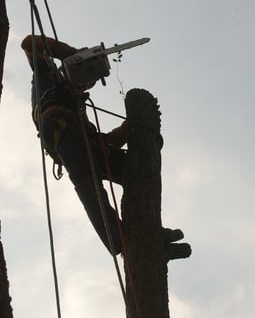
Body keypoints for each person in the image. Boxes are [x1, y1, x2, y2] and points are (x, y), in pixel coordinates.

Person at [21, 35, 191, 260]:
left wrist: (129, 129)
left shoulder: (77, 109)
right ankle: (120, 238)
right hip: (63, 135)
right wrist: (70, 52)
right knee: (88, 185)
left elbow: (101, 144)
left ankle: (147, 233)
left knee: (135, 169)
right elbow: (29, 43)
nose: (84, 85)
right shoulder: (48, 75)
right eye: (84, 80)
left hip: (81, 141)